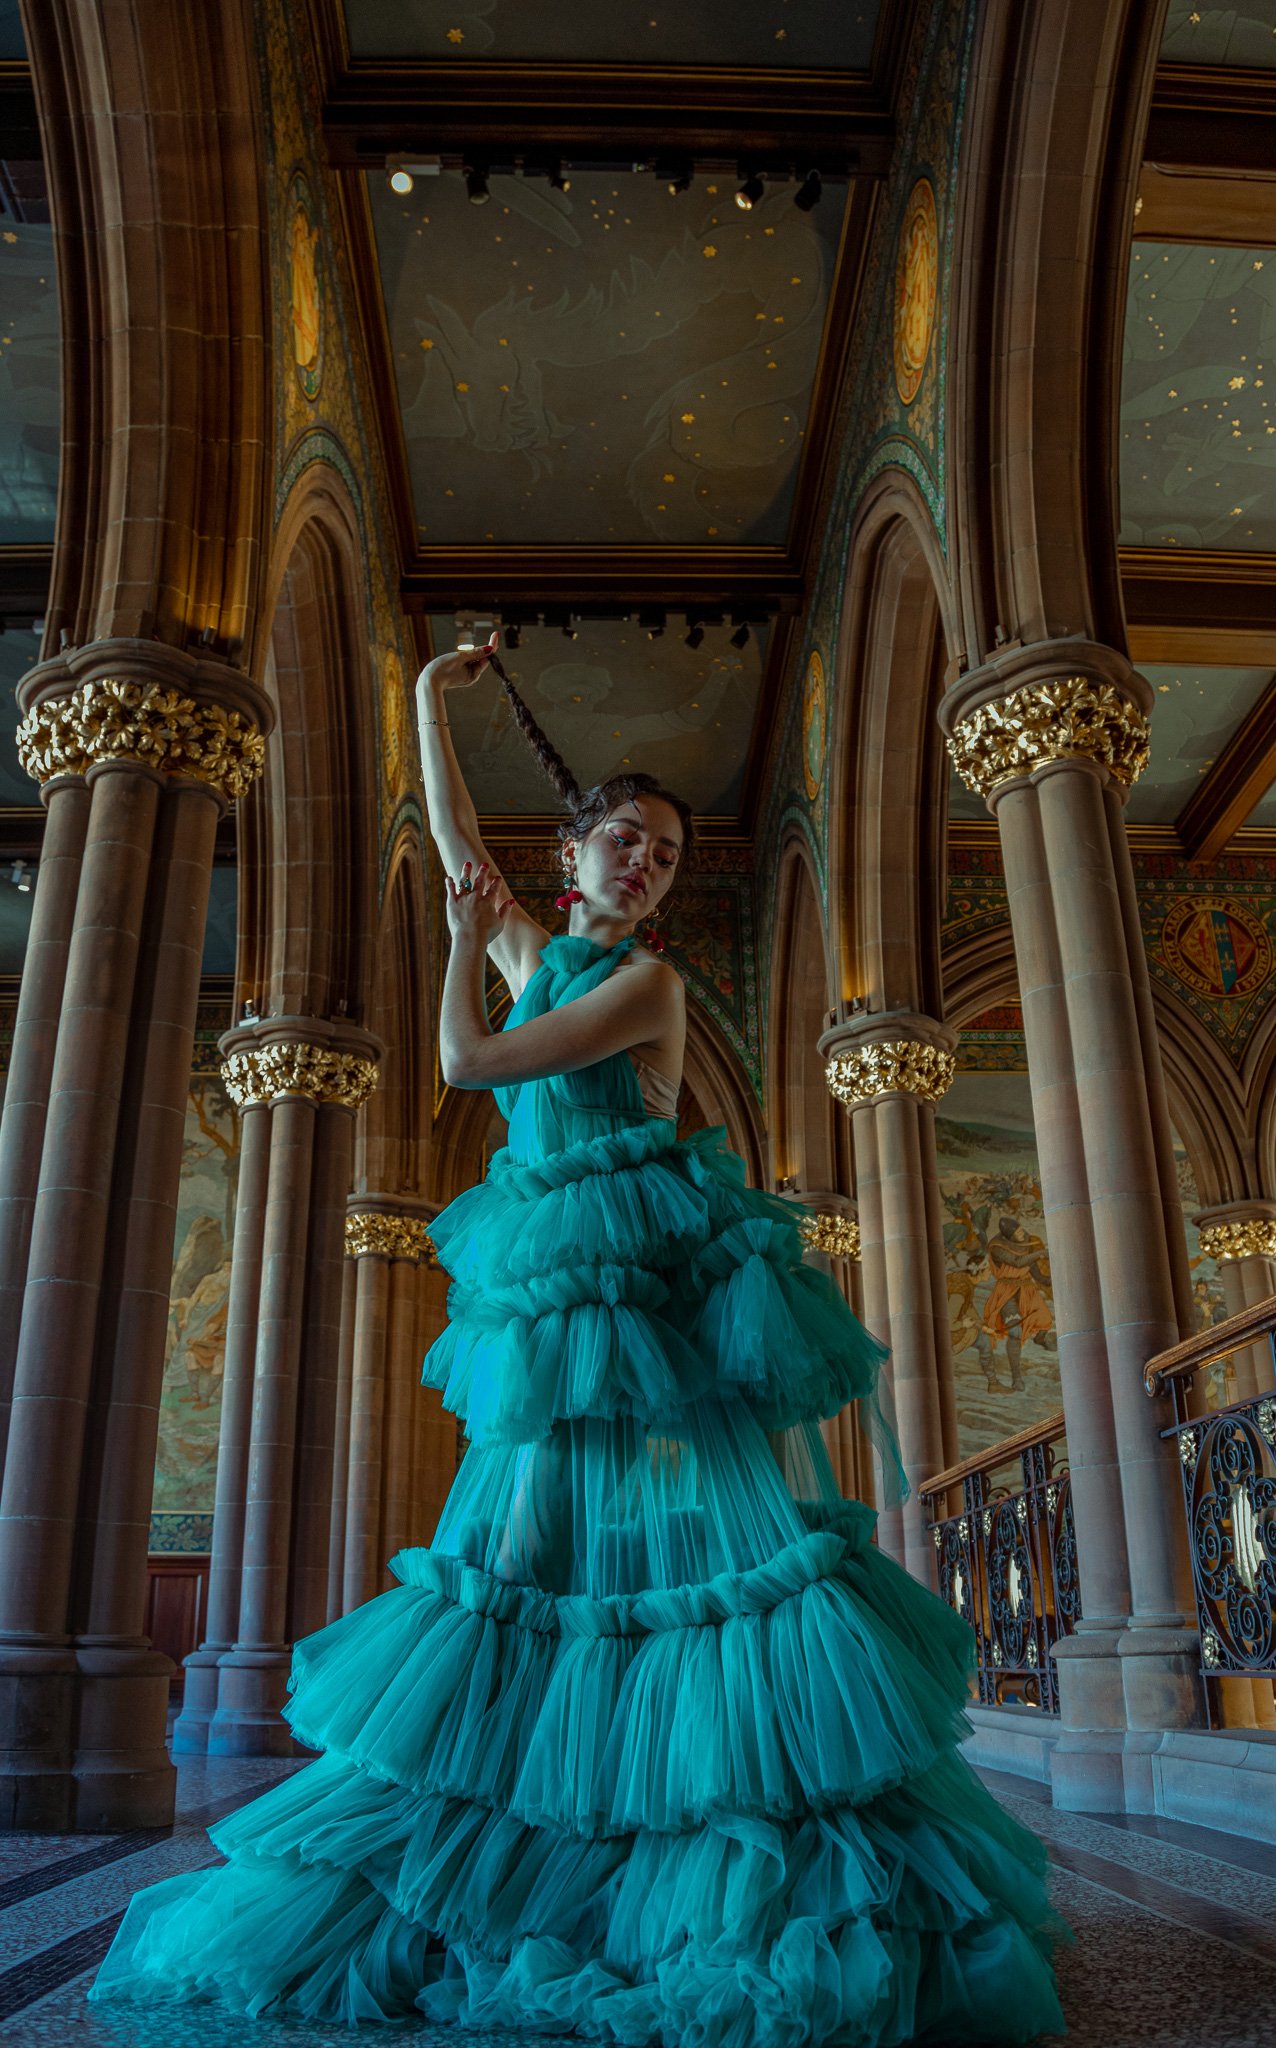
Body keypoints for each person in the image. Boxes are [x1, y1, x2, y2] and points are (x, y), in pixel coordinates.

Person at [91, 634, 1068, 2042]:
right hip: (555, 1288)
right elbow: (448, 838)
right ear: (579, 849)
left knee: (679, 1567)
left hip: (637, 1294)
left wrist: (449, 958)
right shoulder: (539, 946)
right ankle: (524, 1854)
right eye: (626, 840)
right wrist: (432, 699)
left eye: (666, 852)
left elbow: (468, 1065)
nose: (646, 864)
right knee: (520, 1565)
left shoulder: (647, 989)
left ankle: (699, 1857)